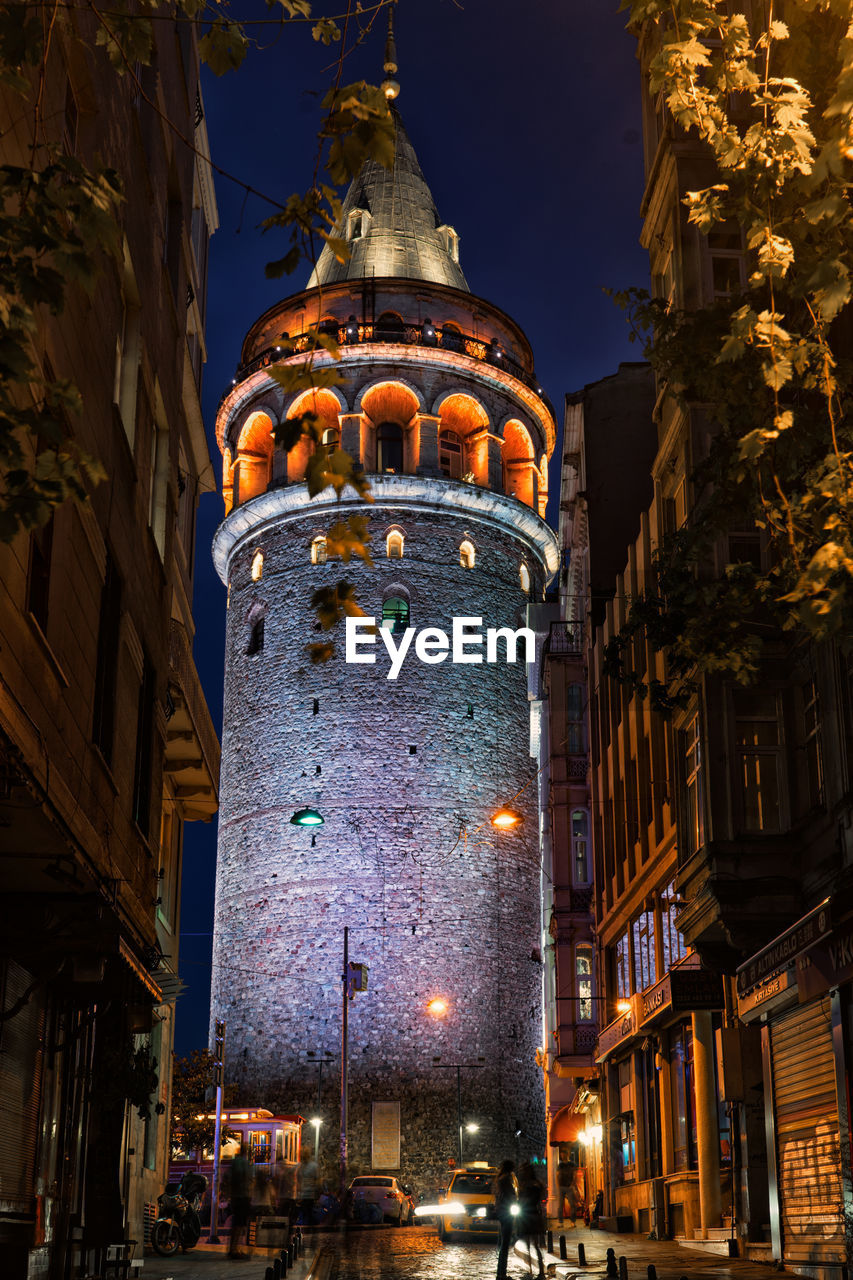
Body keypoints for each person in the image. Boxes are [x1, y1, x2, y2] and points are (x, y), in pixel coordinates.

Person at [516, 1162, 546, 1279]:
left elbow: (530, 1199)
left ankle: (539, 1272)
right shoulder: (532, 1184)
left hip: (530, 1215)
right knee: (529, 1245)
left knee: (534, 1244)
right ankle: (531, 1271)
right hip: (528, 1215)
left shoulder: (531, 1185)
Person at [493, 1159, 518, 1280]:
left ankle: (500, 1273)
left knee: (503, 1243)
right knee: (505, 1244)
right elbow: (511, 1194)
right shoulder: (506, 1179)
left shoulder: (500, 1178)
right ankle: (502, 1274)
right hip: (506, 1212)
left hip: (501, 1212)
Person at [228, 1142, 252, 1259]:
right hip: (243, 1196)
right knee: (240, 1224)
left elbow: (228, 1178)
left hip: (235, 1196)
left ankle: (232, 1248)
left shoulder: (234, 1163)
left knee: (235, 1224)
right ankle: (236, 1249)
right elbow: (248, 1179)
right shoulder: (245, 1163)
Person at [297, 1147, 319, 1229]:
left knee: (307, 1212)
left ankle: (310, 1227)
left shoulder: (302, 1166)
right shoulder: (309, 1166)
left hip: (308, 1194)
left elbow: (299, 1179)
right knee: (308, 1212)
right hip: (307, 1194)